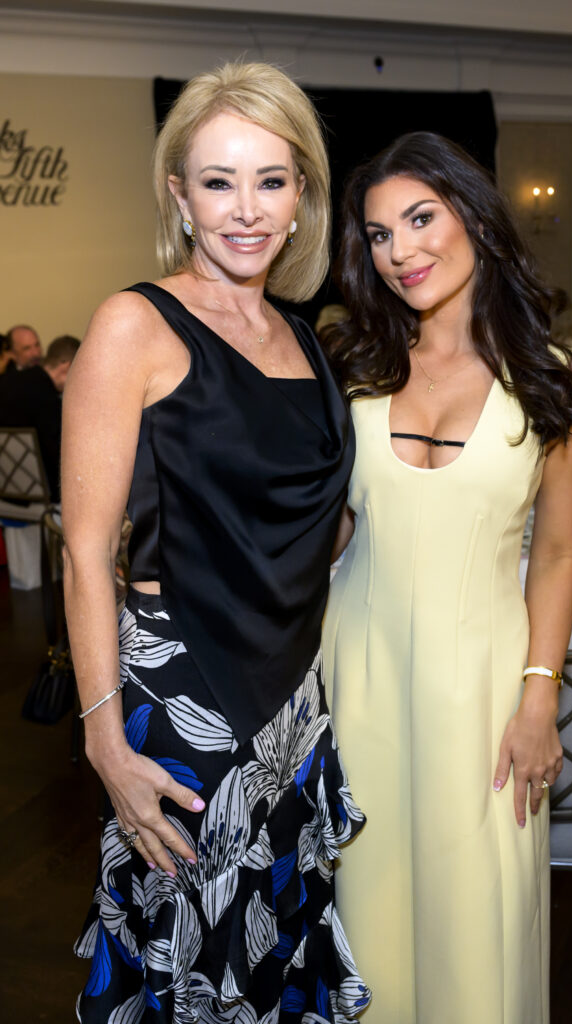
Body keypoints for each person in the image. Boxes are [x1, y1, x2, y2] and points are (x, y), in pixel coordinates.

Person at [62, 61, 369, 1023]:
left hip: (291, 700)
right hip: (183, 694)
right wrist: (105, 743)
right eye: (218, 180)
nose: (246, 209)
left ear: (300, 197)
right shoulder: (133, 324)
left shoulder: (302, 336)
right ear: (179, 194)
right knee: (193, 965)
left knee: (273, 958)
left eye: (270, 180)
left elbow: (313, 518)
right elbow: (82, 552)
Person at [321, 132, 572, 1023]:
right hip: (352, 679)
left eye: (418, 218)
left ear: (475, 219)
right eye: (377, 235)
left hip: (484, 691)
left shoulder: (559, 383)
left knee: (477, 922)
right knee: (364, 912)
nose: (399, 250)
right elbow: (324, 535)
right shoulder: (352, 366)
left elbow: (556, 555)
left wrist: (537, 700)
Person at [0, 333, 80, 501]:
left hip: (6, 497)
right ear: (68, 367)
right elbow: (59, 460)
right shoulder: (48, 400)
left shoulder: (6, 381)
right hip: (43, 502)